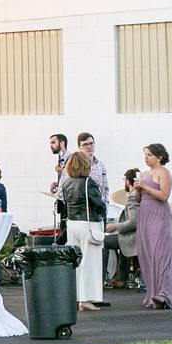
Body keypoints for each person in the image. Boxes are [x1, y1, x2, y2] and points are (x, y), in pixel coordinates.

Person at [135, 145, 172, 310]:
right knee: (148, 255)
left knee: (161, 253)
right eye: (145, 155)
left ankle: (164, 294)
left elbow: (164, 196)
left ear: (159, 156)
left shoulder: (163, 172)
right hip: (145, 215)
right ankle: (153, 293)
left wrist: (145, 186)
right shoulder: (144, 175)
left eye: (149, 155)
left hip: (159, 216)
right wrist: (137, 189)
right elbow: (139, 198)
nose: (146, 158)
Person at [61, 151, 106, 312]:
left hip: (72, 224)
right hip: (88, 224)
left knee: (77, 262)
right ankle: (85, 299)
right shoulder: (89, 183)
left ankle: (77, 296)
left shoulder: (66, 183)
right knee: (89, 262)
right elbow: (99, 204)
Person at [103, 168, 139, 288]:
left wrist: (115, 226)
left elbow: (134, 222)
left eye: (124, 179)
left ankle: (100, 279)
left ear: (128, 181)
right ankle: (120, 279)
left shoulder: (133, 197)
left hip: (133, 236)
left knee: (104, 242)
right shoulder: (139, 194)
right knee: (121, 241)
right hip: (136, 235)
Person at [48, 133, 69, 244]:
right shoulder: (60, 158)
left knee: (65, 233)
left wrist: (63, 172)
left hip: (68, 203)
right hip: (61, 201)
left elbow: (74, 178)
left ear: (62, 143)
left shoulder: (70, 158)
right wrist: (57, 183)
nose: (51, 145)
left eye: (53, 142)